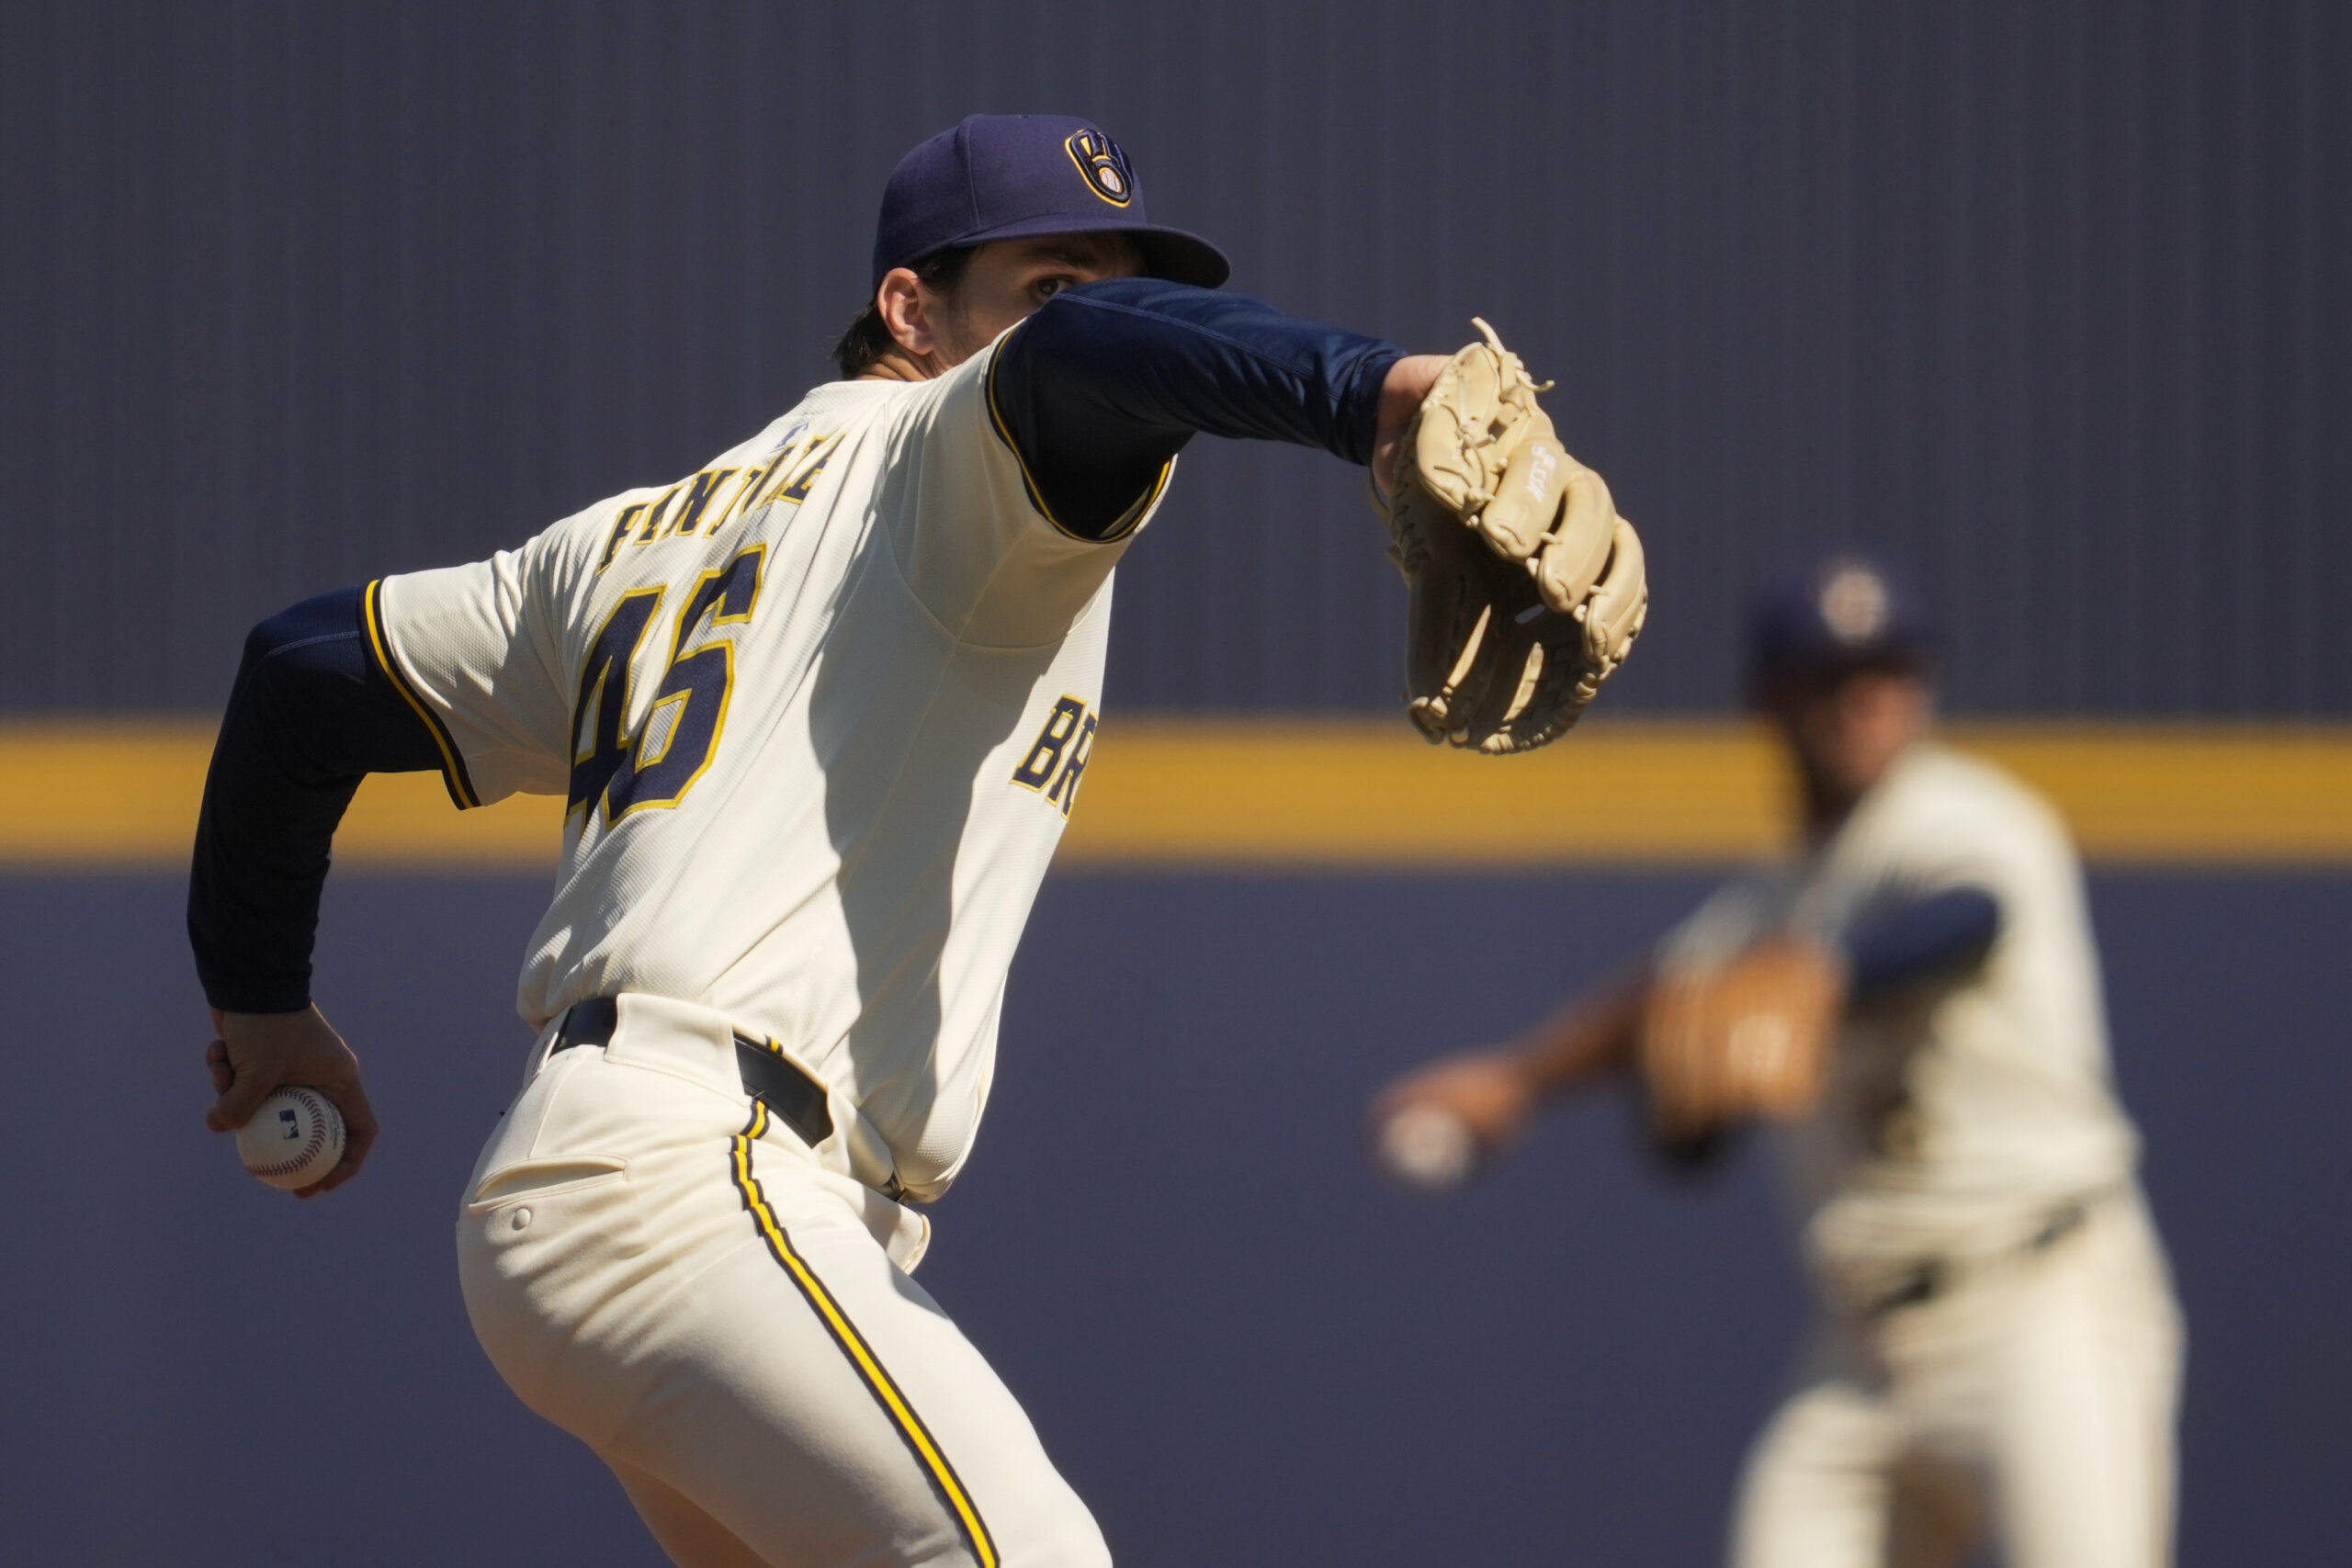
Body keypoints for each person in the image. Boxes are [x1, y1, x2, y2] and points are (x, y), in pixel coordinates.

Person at [187, 114, 1461, 1567]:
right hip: (697, 1180)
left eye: (1122, 278)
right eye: (1054, 278)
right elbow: (1075, 363)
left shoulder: (619, 541)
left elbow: (298, 672)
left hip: (617, 1190)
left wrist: (261, 1006)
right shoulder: (949, 452)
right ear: (911, 309)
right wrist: (1376, 390)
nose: (1099, 312)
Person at [1371, 555, 2183, 1568]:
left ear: (1919, 686)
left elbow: (1969, 917)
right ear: (1769, 701)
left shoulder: (1963, 817)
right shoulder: (1775, 901)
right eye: (1827, 676)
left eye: (1883, 672)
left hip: (2040, 1302)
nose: (1860, 702)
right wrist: (1517, 1081)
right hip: (1860, 1346)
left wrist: (1822, 976)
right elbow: (1661, 1003)